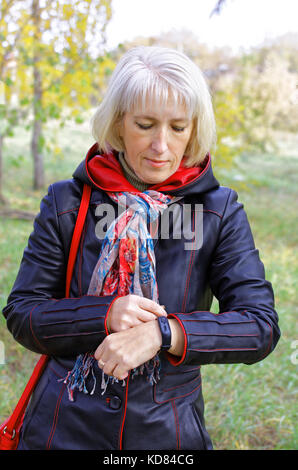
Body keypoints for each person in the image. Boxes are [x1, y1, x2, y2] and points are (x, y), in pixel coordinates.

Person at [2, 46, 280, 450]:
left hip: (167, 434)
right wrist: (105, 314)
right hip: (60, 428)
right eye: (145, 125)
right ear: (118, 122)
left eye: (179, 128)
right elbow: (22, 313)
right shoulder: (67, 202)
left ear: (195, 128)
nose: (162, 146)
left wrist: (164, 333)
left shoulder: (218, 212)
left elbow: (259, 326)